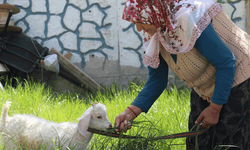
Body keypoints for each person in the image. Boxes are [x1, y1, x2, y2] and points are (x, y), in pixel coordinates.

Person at [114, 0, 250, 149]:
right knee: (197, 141)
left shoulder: (187, 18)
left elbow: (226, 62)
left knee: (227, 142)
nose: (139, 28)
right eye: (135, 22)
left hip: (240, 77)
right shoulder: (155, 29)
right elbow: (157, 80)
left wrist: (215, 108)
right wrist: (129, 112)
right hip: (205, 87)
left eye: (141, 21)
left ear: (154, 12)